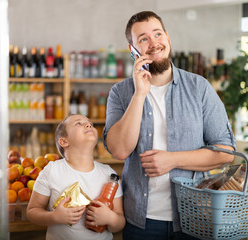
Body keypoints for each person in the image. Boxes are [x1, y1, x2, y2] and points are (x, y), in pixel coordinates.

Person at [103, 11, 236, 240]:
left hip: (194, 215)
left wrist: (172, 159)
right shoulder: (121, 93)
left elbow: (226, 152)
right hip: (140, 220)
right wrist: (139, 95)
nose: (154, 43)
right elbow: (119, 150)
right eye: (143, 39)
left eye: (157, 34)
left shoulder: (199, 88)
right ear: (133, 50)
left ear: (168, 38)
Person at [27, 114, 125, 240]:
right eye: (79, 123)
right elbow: (32, 212)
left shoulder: (109, 174)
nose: (89, 124)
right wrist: (55, 217)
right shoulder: (52, 170)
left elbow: (120, 222)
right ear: (64, 141)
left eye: (90, 123)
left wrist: (111, 218)